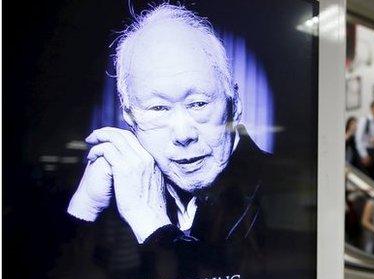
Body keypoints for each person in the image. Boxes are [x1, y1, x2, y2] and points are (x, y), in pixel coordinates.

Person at [67, 4, 269, 250]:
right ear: (131, 119)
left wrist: (150, 225)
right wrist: (86, 205)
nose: (183, 135)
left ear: (234, 104)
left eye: (198, 104)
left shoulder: (275, 192)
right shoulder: (124, 186)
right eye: (158, 108)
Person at [355, 100, 374, 182]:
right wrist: (364, 155)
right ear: (371, 109)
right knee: (366, 178)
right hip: (367, 151)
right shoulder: (364, 120)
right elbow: (358, 139)